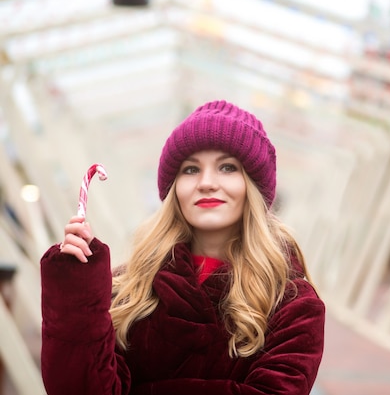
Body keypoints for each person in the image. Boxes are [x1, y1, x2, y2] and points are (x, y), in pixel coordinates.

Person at [40, 100, 326, 394]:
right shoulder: (129, 288)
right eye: (190, 169)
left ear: (252, 187)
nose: (206, 183)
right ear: (174, 189)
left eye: (227, 167)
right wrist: (76, 292)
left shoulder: (292, 303)